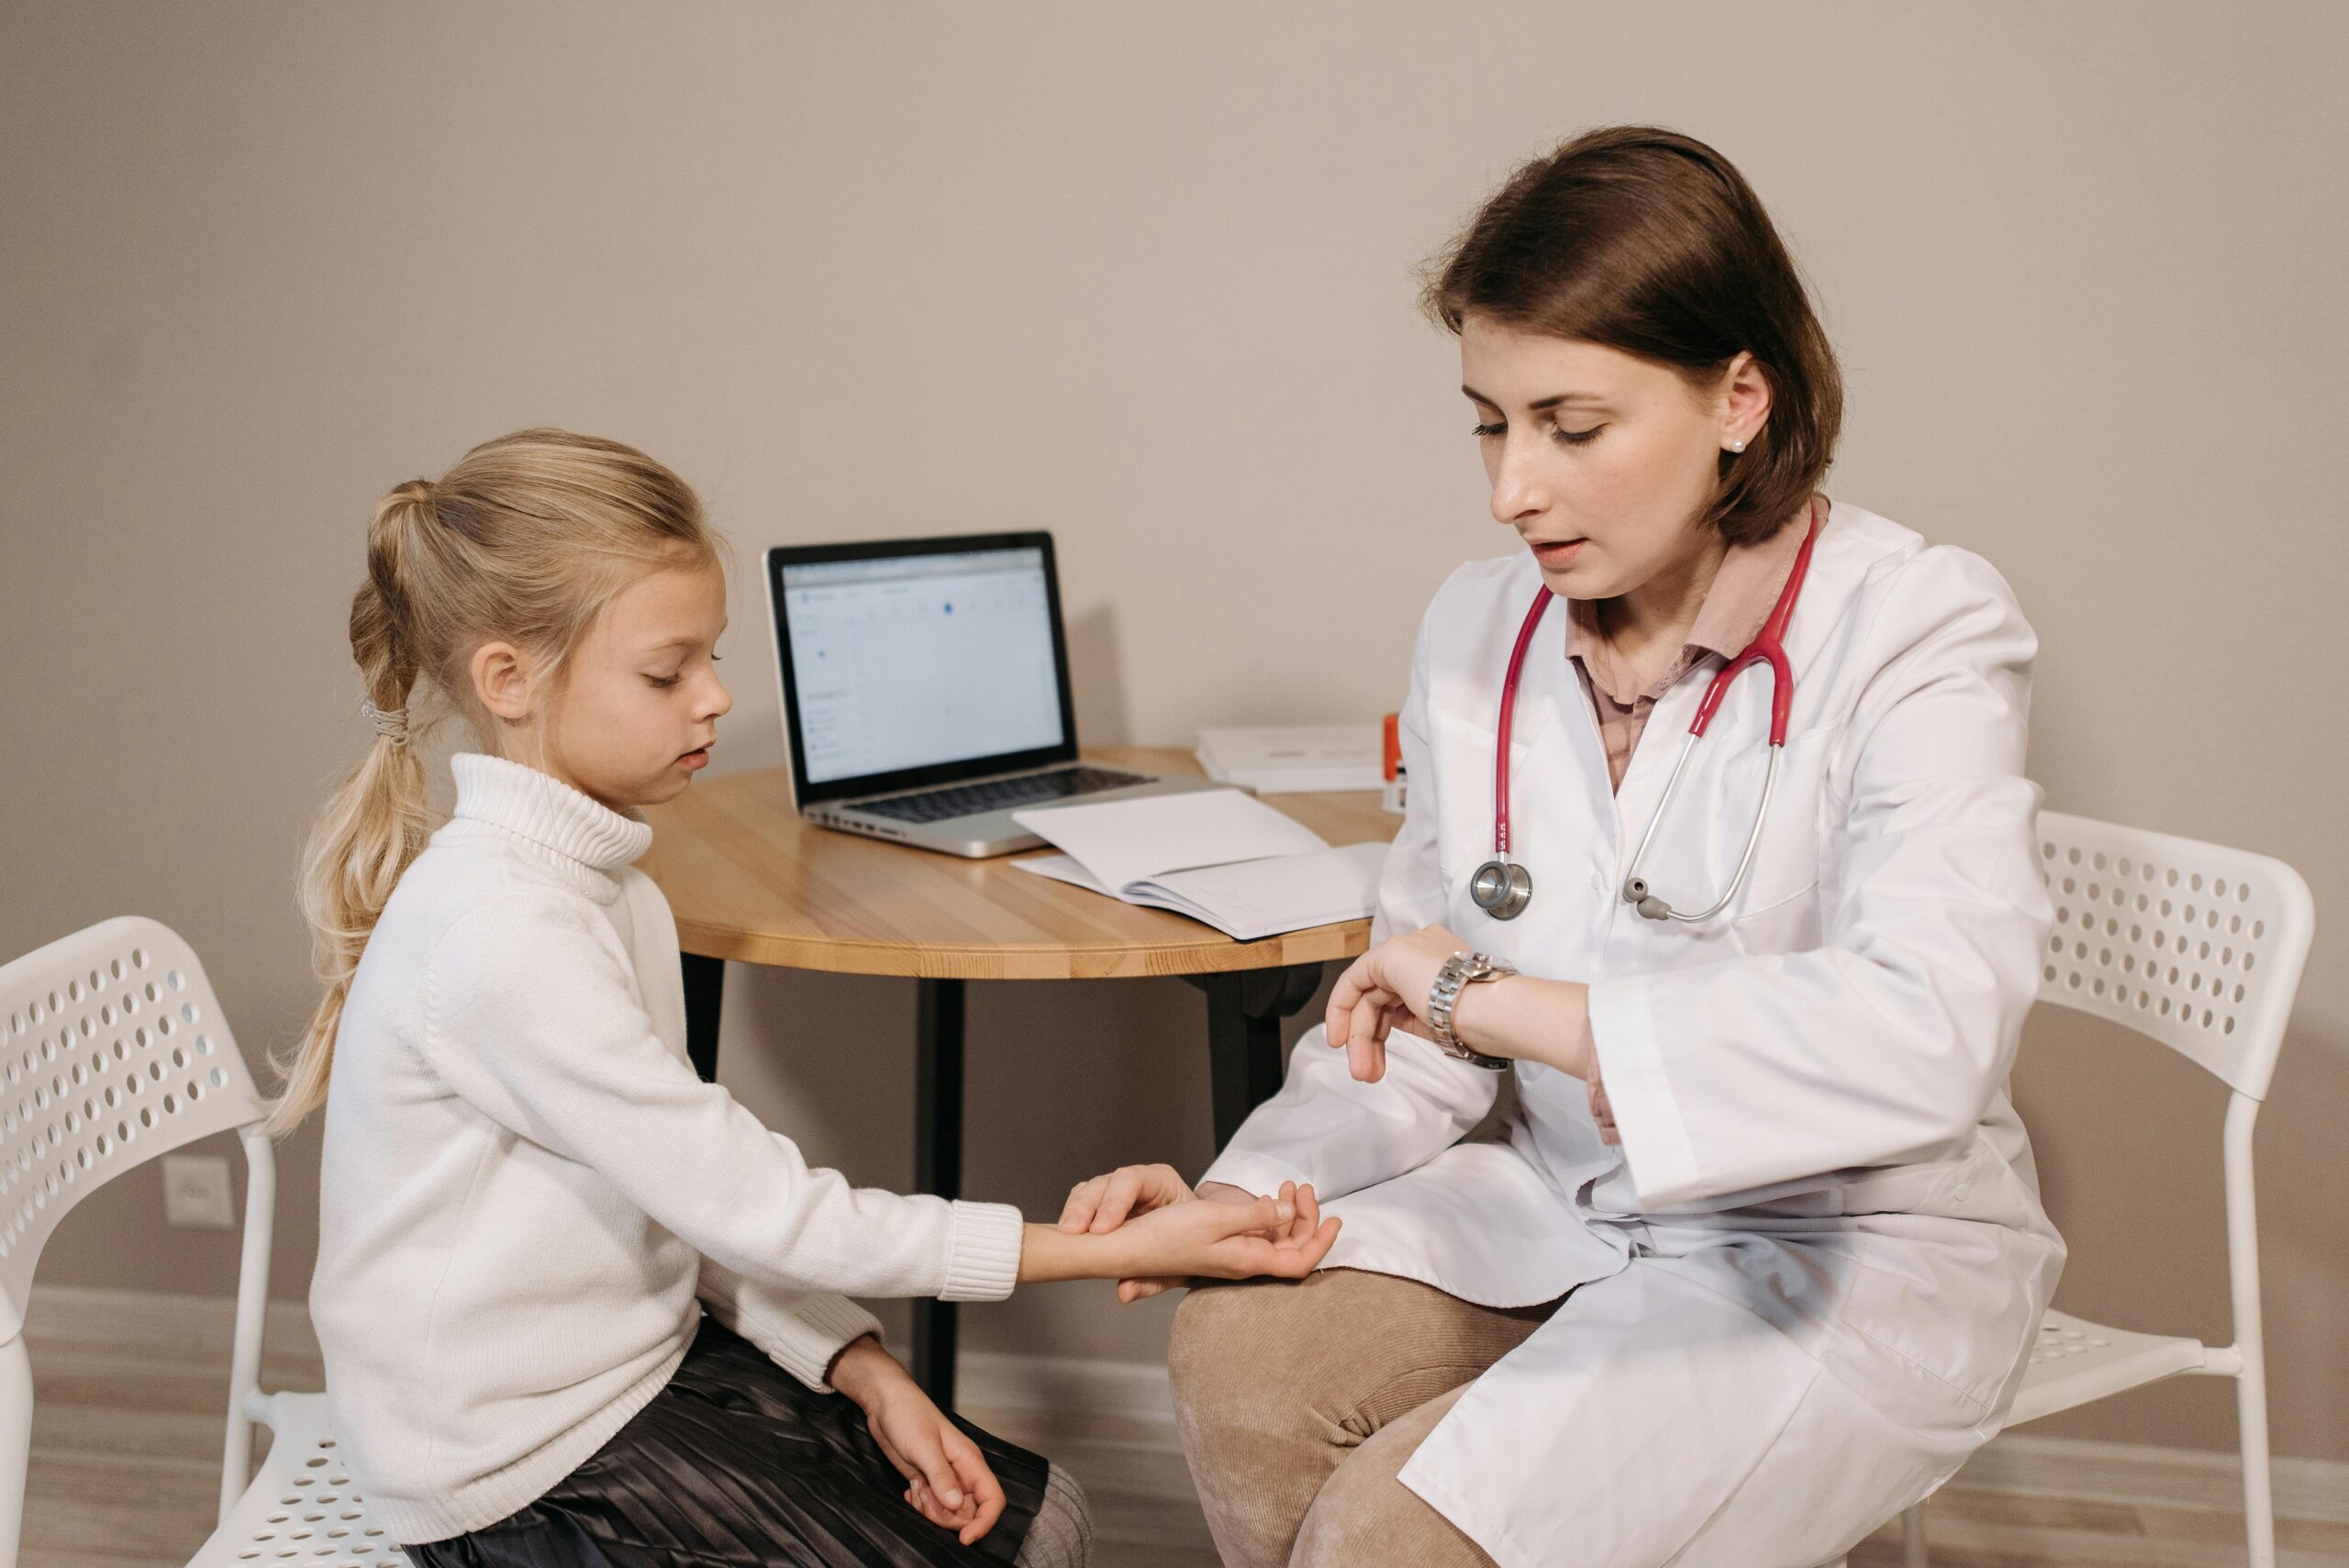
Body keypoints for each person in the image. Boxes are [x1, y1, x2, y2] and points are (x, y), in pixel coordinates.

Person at [1061, 127, 2065, 1568]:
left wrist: (1496, 1001)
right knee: (1241, 1353)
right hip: (1563, 1197)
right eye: (1488, 421)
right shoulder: (1480, 628)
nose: (1509, 489)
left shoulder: (1916, 624)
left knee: (1387, 1539)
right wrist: (1234, 1196)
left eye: (1571, 427)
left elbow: (1929, 1023)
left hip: (1843, 1248)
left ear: (1739, 394)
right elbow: (1407, 1028)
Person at [279, 429, 1341, 1568]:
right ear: (508, 680)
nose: (717, 698)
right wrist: (1099, 1248)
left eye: (711, 657)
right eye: (666, 671)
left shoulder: (611, 886)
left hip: (635, 1362)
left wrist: (859, 1363)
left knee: (1044, 1517)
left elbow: (694, 1200)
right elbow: (760, 1204)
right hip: (513, 1466)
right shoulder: (503, 932)